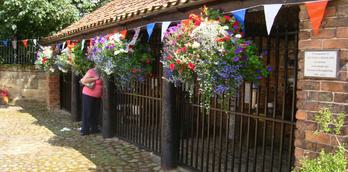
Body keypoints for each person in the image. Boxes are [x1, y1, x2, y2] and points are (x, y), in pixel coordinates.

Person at [80, 67, 103, 136]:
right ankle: (84, 130)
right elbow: (83, 80)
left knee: (95, 113)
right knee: (87, 112)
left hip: (98, 96)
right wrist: (95, 78)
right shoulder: (91, 71)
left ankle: (94, 129)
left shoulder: (103, 73)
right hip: (88, 94)